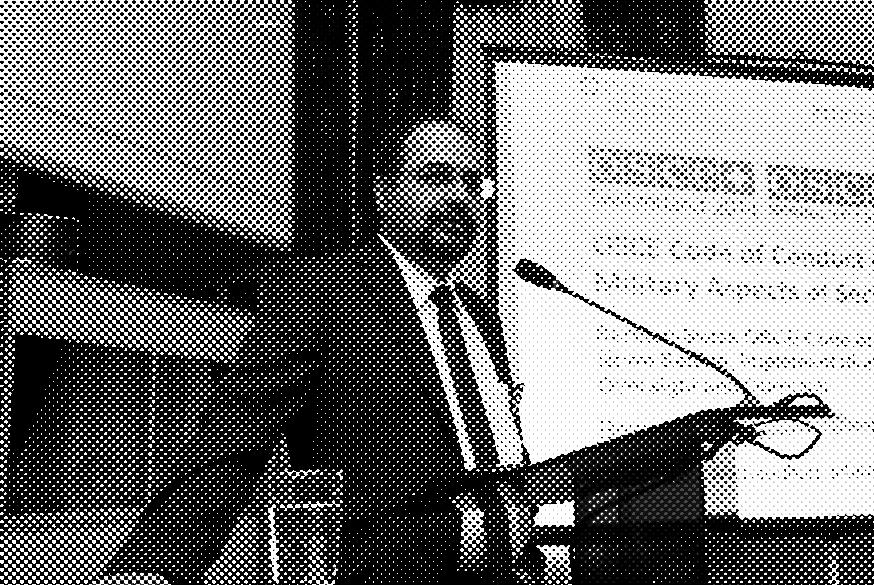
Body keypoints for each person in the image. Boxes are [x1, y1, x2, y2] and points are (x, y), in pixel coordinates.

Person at [99, 117, 549, 585]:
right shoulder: (320, 291)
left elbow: (501, 459)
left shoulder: (476, 313)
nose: (459, 197)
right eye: (435, 177)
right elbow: (236, 442)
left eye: (474, 182)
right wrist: (148, 568)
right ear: (385, 191)